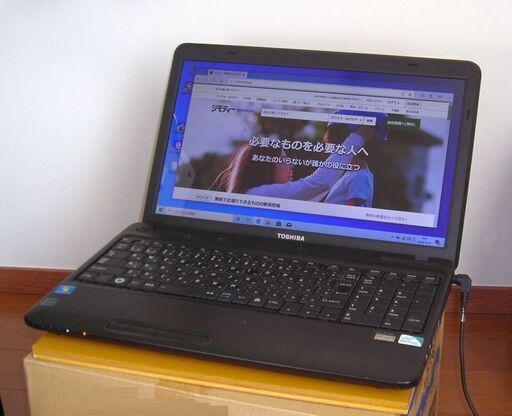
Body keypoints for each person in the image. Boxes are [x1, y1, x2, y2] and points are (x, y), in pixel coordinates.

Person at [213, 127, 374, 200]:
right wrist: (357, 137)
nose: (291, 166)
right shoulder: (260, 194)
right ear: (267, 168)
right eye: (284, 160)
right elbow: (319, 183)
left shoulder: (253, 194)